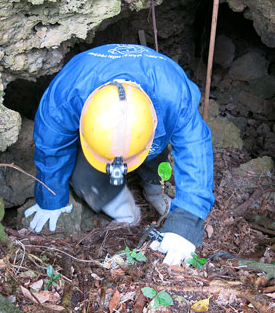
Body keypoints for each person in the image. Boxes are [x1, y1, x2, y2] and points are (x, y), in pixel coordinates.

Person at [24, 44, 215, 265]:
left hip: (156, 121)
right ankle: (102, 186)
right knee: (113, 199)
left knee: (155, 145)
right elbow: (51, 150)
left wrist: (186, 221)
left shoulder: (174, 97)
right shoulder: (65, 97)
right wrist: (51, 198)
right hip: (89, 119)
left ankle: (153, 187)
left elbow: (195, 151)